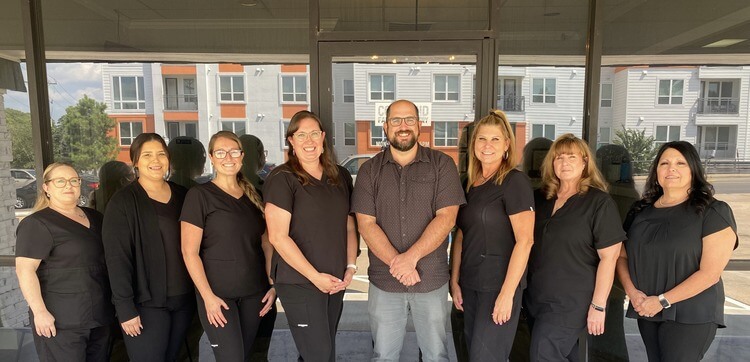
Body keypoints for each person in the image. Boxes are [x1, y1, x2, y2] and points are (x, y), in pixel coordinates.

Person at [352, 99, 466, 361]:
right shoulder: (369, 171)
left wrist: (410, 259)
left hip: (431, 280)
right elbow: (366, 224)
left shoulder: (442, 164)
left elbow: (447, 218)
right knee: (383, 356)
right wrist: (399, 264)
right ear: (385, 126)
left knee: (436, 355)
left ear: (419, 124)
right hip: (385, 282)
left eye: (409, 120)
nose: (403, 126)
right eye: (396, 120)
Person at [616, 141, 738, 362]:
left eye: (680, 163)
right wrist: (633, 293)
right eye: (664, 163)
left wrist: (661, 301)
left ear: (693, 170)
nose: (671, 169)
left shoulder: (713, 212)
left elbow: (709, 274)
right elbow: (621, 257)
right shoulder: (639, 211)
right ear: (656, 171)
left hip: (691, 314)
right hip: (648, 310)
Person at [264, 110, 357, 361]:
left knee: (322, 351)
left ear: (323, 137)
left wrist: (350, 266)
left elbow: (349, 226)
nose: (309, 140)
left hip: (335, 281)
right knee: (320, 354)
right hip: (299, 281)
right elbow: (278, 237)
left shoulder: (340, 175)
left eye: (314, 133)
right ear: (291, 141)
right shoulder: (282, 178)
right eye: (301, 134)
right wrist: (315, 277)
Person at [524, 133, 624, 361]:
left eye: (572, 156)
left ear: (584, 162)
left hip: (572, 302)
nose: (565, 162)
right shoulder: (539, 198)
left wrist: (598, 307)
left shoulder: (599, 203)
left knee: (543, 354)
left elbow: (610, 258)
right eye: (559, 157)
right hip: (536, 299)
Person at [181, 130, 275, 361]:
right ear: (212, 157)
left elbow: (267, 244)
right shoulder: (199, 196)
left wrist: (273, 285)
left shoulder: (254, 196)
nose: (228, 157)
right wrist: (207, 297)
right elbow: (189, 252)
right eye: (221, 152)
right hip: (218, 297)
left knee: (244, 356)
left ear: (242, 156)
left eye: (234, 152)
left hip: (255, 295)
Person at [102, 133, 196, 362]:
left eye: (161, 154)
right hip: (145, 305)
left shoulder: (184, 195)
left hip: (183, 301)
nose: (156, 160)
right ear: (135, 161)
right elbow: (117, 259)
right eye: (147, 155)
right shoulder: (123, 202)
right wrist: (125, 309)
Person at [450, 110, 535, 361]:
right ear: (473, 144)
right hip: (470, 285)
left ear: (507, 144)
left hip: (498, 287)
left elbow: (525, 240)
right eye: (482, 139)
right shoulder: (470, 184)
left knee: (486, 357)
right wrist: (454, 280)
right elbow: (462, 236)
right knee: (472, 355)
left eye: (495, 139)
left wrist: (507, 294)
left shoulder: (514, 182)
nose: (487, 145)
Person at [16, 162, 115, 361]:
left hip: (100, 317)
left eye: (73, 181)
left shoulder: (95, 217)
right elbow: (25, 270)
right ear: (46, 187)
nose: (68, 186)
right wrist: (40, 313)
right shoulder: (37, 223)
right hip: (60, 322)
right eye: (60, 181)